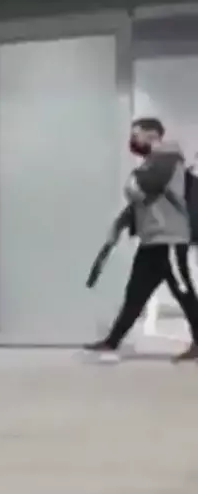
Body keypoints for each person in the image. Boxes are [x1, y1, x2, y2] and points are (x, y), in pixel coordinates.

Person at [85, 118, 198, 362]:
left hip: (168, 239)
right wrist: (120, 224)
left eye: (136, 134)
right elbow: (141, 201)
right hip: (151, 242)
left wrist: (132, 183)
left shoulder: (167, 157)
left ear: (152, 135)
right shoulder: (153, 162)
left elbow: (139, 187)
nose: (133, 140)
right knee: (135, 293)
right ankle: (112, 341)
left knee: (184, 292)